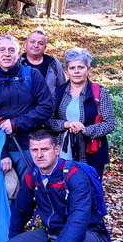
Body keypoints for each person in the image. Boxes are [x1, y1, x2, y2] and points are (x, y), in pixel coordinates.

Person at [2, 129, 109, 242]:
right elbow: (21, 209)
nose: (39, 155)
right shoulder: (33, 175)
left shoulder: (74, 174)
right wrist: (13, 238)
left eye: (45, 149)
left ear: (57, 149)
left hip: (90, 234)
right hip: (52, 233)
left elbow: (78, 220)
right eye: (34, 150)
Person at [0, 35, 53, 200]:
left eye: (11, 50)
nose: (7, 54)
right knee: (10, 192)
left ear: (19, 54)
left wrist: (16, 123)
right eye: (2, 50)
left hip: (31, 147)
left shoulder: (32, 76)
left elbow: (46, 107)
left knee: (34, 192)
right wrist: (1, 154)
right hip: (3, 147)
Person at [47, 48, 116, 178]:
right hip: (62, 152)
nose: (76, 71)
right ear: (66, 71)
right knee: (63, 187)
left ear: (88, 70)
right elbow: (48, 121)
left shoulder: (99, 92)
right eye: (72, 68)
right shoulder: (58, 93)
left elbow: (109, 124)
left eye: (81, 67)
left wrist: (85, 130)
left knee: (89, 187)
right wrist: (66, 124)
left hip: (91, 153)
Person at [18, 31, 66, 97]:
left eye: (40, 43)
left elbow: (62, 87)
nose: (36, 45)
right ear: (25, 44)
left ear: (45, 47)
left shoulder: (53, 64)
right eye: (32, 42)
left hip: (49, 103)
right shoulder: (17, 63)